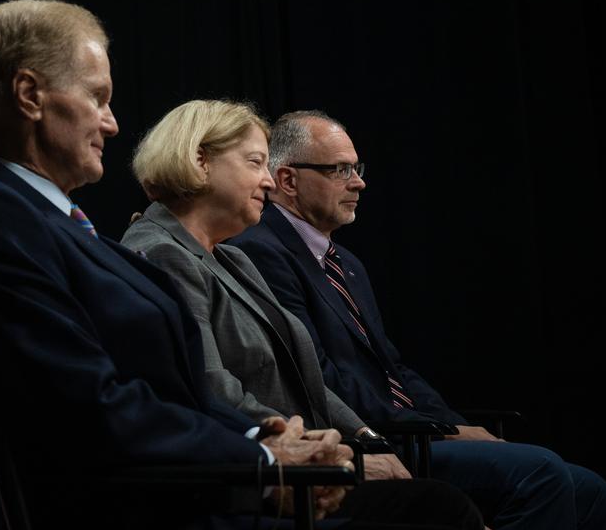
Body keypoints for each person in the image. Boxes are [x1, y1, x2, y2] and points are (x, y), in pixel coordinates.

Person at [0, 0, 483, 530]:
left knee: (436, 507)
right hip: (144, 512)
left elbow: (165, 391)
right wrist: (263, 458)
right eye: (98, 97)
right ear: (29, 95)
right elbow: (90, 406)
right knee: (438, 517)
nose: (112, 123)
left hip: (187, 489)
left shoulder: (47, 220)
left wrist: (262, 434)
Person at [231, 110, 606, 530]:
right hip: (371, 440)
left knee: (590, 489)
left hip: (412, 433)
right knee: (540, 473)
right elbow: (315, 375)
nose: (359, 182)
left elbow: (392, 367)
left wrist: (451, 423)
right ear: (287, 181)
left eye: (356, 168)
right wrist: (436, 432)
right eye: (340, 170)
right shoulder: (260, 251)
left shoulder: (346, 263)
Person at [120, 100, 414, 491]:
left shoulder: (234, 258)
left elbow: (304, 376)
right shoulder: (162, 251)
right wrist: (326, 456)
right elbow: (211, 386)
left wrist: (365, 438)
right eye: (256, 162)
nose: (270, 181)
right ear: (200, 160)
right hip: (265, 475)